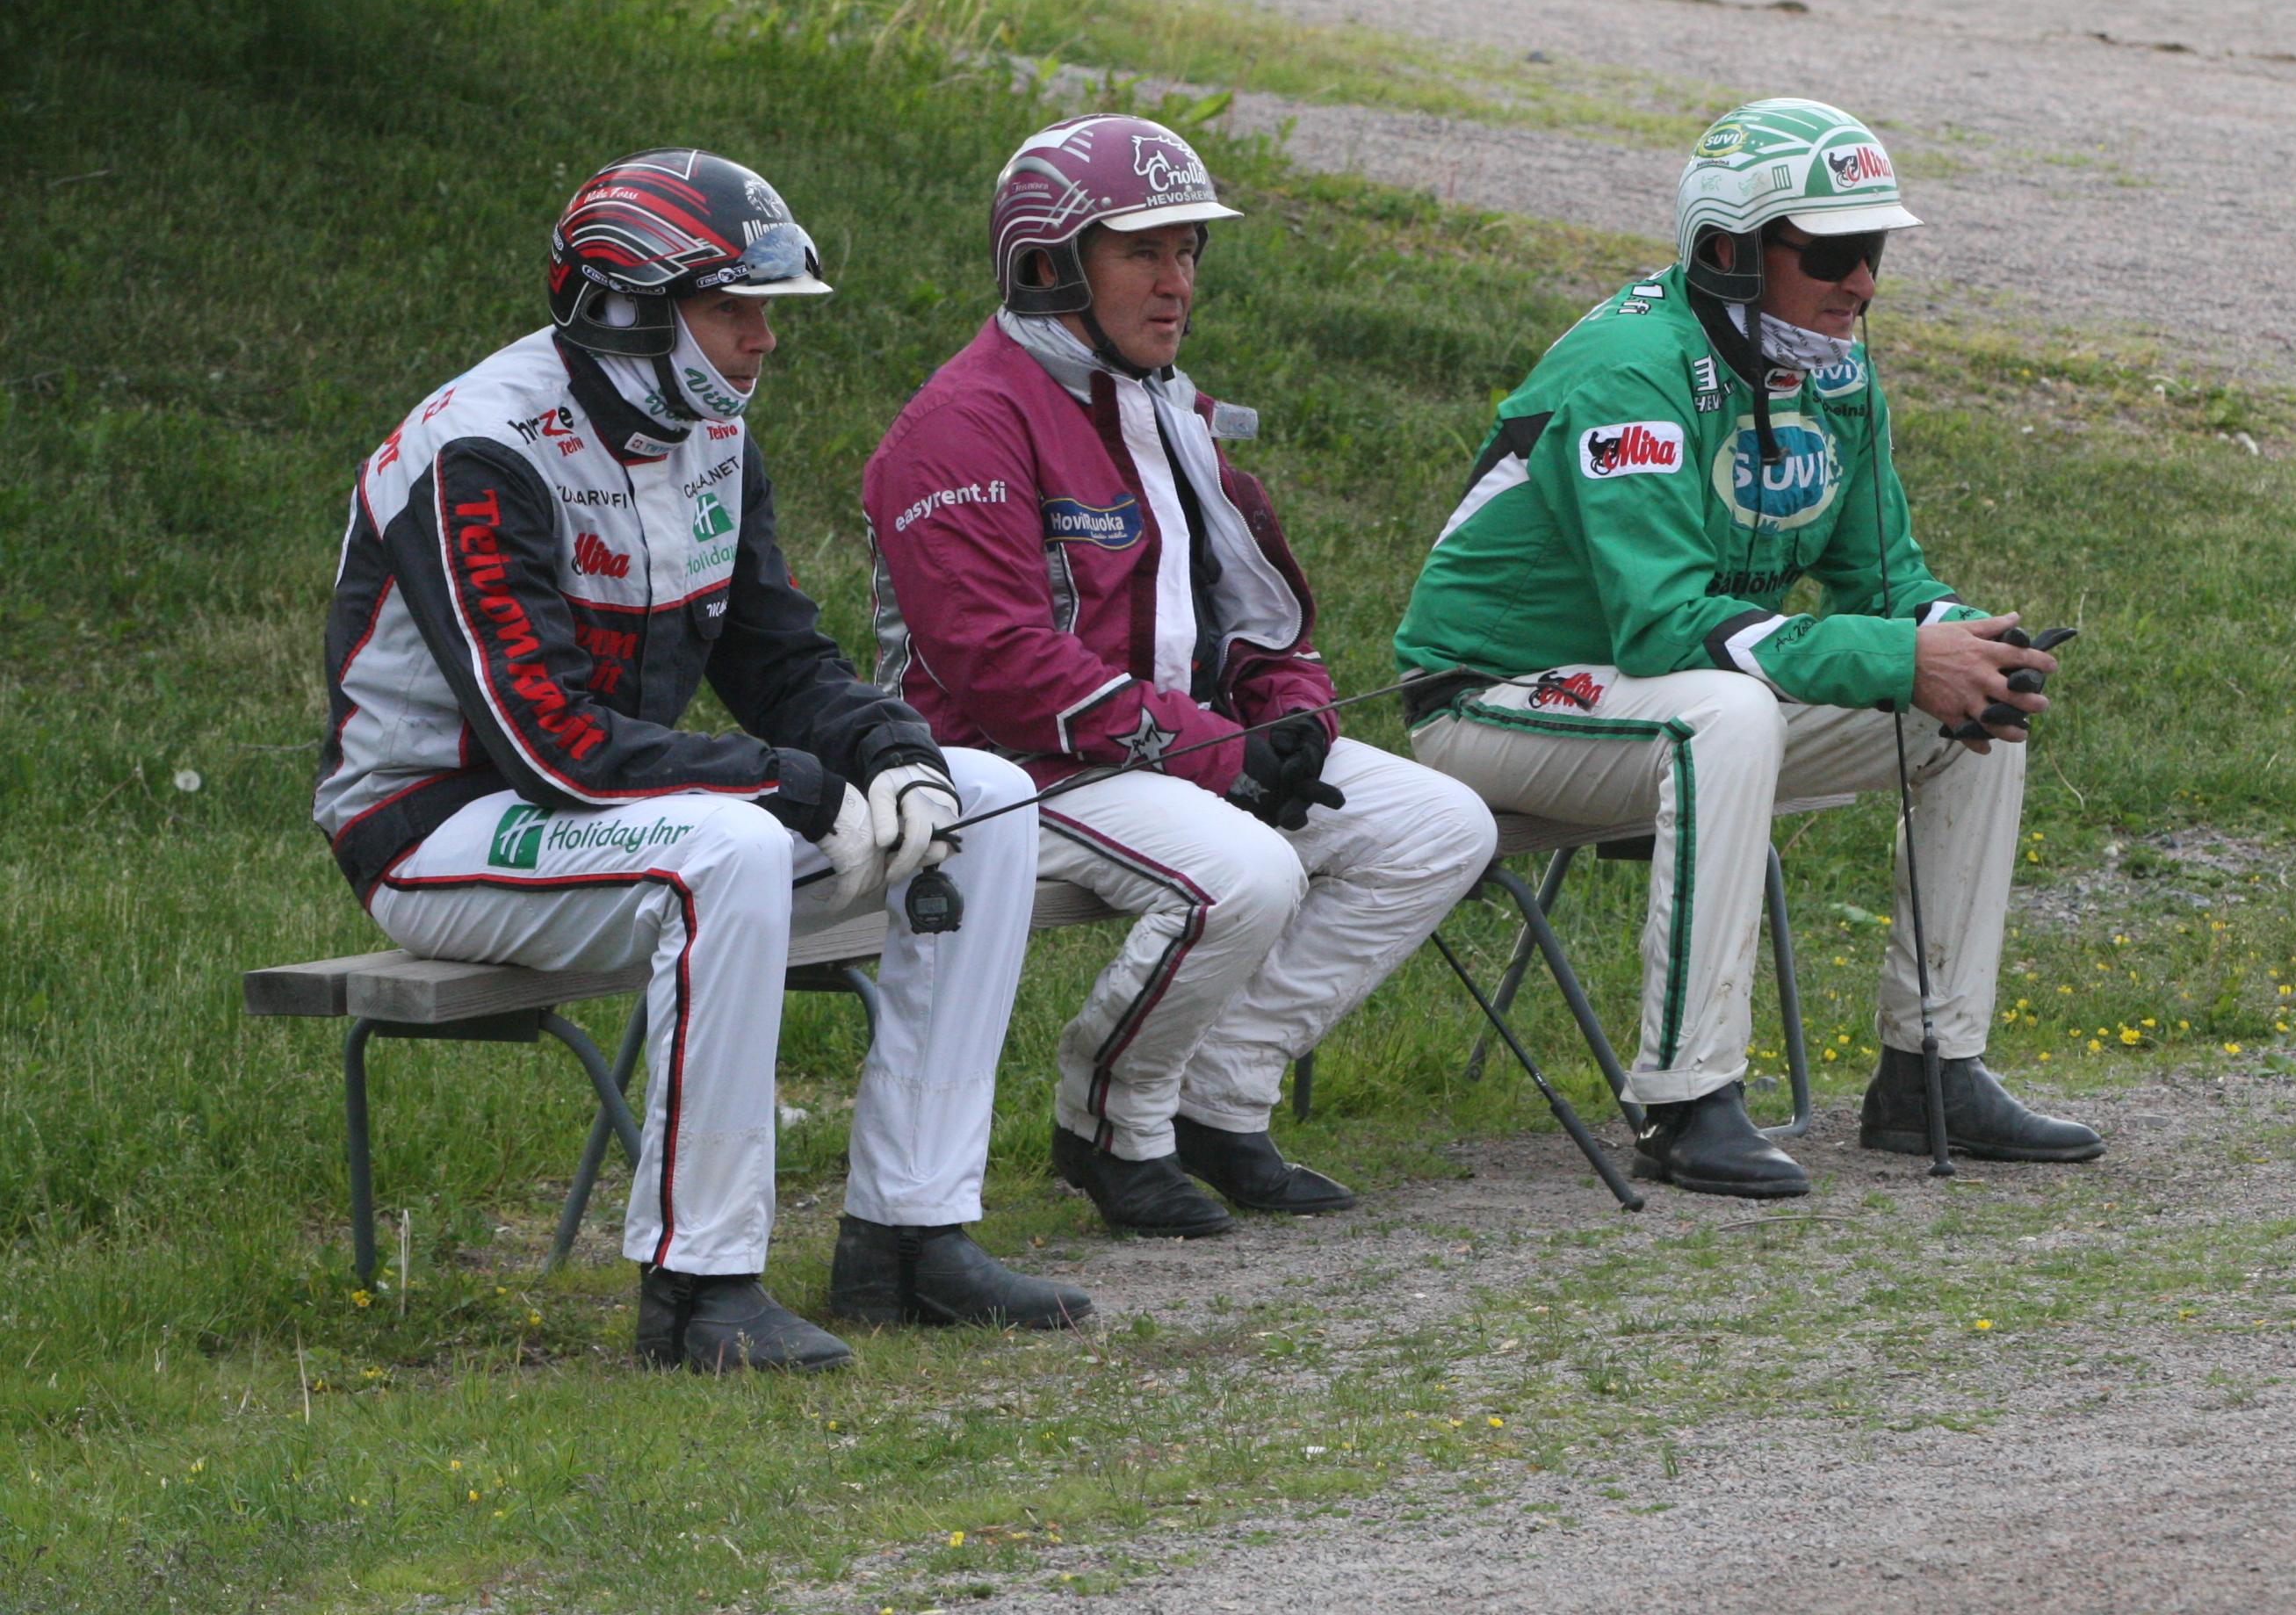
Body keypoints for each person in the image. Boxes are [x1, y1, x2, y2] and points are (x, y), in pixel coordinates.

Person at [315, 152, 1090, 1373]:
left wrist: (895, 755)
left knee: (982, 800)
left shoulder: (710, 428)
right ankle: (698, 1289)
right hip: (439, 826)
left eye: (769, 310)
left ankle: (909, 1236)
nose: (764, 339)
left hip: (611, 814)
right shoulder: (479, 448)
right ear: (629, 307)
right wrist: (788, 785)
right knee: (721, 850)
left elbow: (780, 655)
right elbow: (545, 743)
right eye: (736, 308)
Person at [1390, 100, 2097, 1200]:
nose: (1862, 282)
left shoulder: (1835, 369)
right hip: (1489, 702)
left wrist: (1959, 641)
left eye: (1874, 251)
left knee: (1969, 710)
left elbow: (1887, 581)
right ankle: (1683, 1102)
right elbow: (1666, 625)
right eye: (1830, 252)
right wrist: (1901, 655)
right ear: (1728, 252)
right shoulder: (1632, 370)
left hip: (1650, 703)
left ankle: (1930, 1073)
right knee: (1723, 713)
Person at [864, 116, 1495, 1238]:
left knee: (1440, 824)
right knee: (1245, 872)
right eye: (1143, 252)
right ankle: (1111, 1123)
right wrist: (1218, 752)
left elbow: (1259, 614)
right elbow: (1000, 667)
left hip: (1160, 751)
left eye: (1190, 253)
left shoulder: (1169, 407)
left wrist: (1291, 722)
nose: (1176, 284)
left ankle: (1220, 1099)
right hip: (1005, 770)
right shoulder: (960, 425)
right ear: (1048, 264)